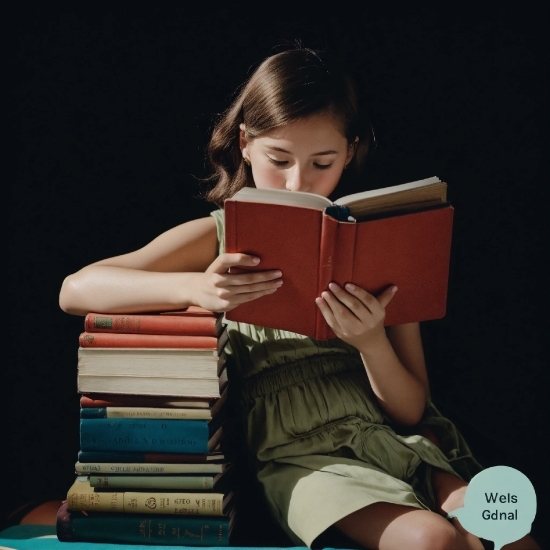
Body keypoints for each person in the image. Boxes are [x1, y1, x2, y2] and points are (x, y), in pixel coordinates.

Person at [59, 48, 540, 550]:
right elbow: (75, 288)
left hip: (404, 440)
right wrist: (194, 287)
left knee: (505, 536)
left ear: (350, 152)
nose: (298, 182)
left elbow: (411, 410)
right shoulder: (218, 235)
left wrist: (372, 342)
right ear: (245, 143)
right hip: (302, 456)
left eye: (322, 163)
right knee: (432, 540)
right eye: (279, 160)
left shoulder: (378, 243)